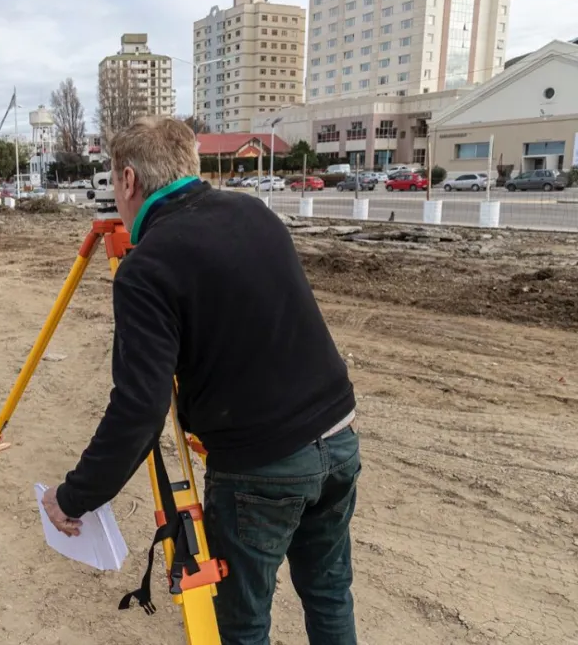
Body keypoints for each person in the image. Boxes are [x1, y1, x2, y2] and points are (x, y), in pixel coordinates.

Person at [40, 116, 361, 645]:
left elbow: (139, 411)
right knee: (328, 590)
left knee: (242, 622)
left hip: (263, 465)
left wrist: (74, 497)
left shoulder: (148, 267)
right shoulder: (253, 212)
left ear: (127, 181)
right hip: (339, 433)